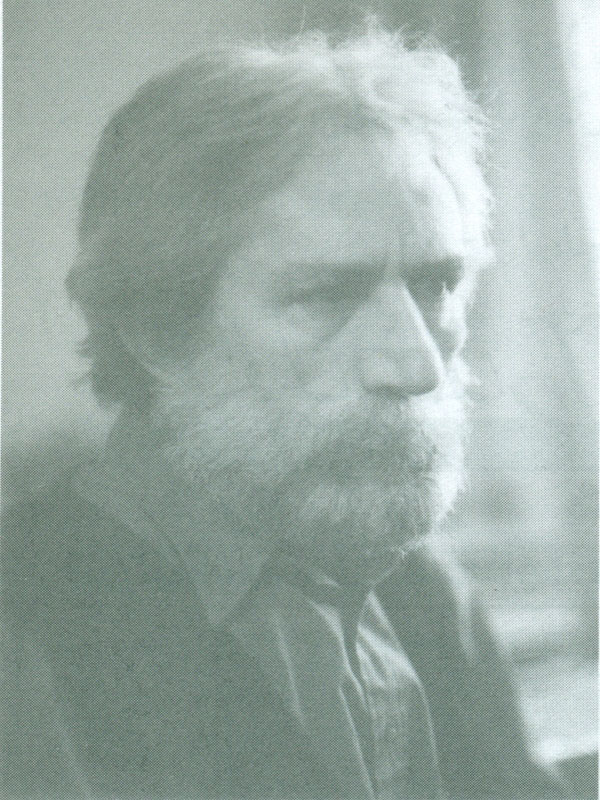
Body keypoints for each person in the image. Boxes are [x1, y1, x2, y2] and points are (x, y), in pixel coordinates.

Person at [2, 23, 569, 799]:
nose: (418, 365)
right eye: (325, 294)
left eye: (436, 285)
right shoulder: (26, 624)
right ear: (157, 329)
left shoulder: (425, 594)